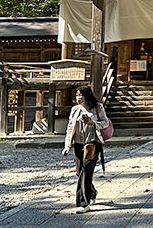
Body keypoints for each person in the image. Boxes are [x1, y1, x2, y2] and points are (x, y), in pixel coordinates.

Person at [63, 85, 109, 214]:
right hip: (78, 143)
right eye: (77, 95)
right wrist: (67, 145)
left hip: (92, 143)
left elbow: (105, 123)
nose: (78, 97)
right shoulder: (75, 109)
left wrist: (93, 123)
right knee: (79, 172)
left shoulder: (98, 107)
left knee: (86, 170)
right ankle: (92, 192)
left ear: (87, 95)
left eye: (80, 95)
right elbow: (70, 127)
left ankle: (83, 203)